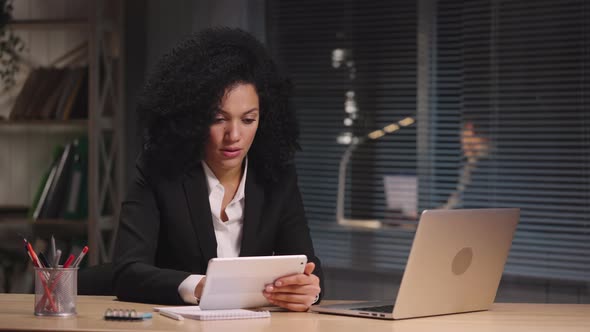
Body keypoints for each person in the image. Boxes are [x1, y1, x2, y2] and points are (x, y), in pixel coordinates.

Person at [113, 27, 323, 311]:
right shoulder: (158, 172)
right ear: (191, 118)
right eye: (218, 119)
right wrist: (200, 286)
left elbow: (308, 266)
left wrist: (308, 290)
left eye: (248, 120)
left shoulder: (277, 178)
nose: (234, 135)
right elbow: (127, 272)